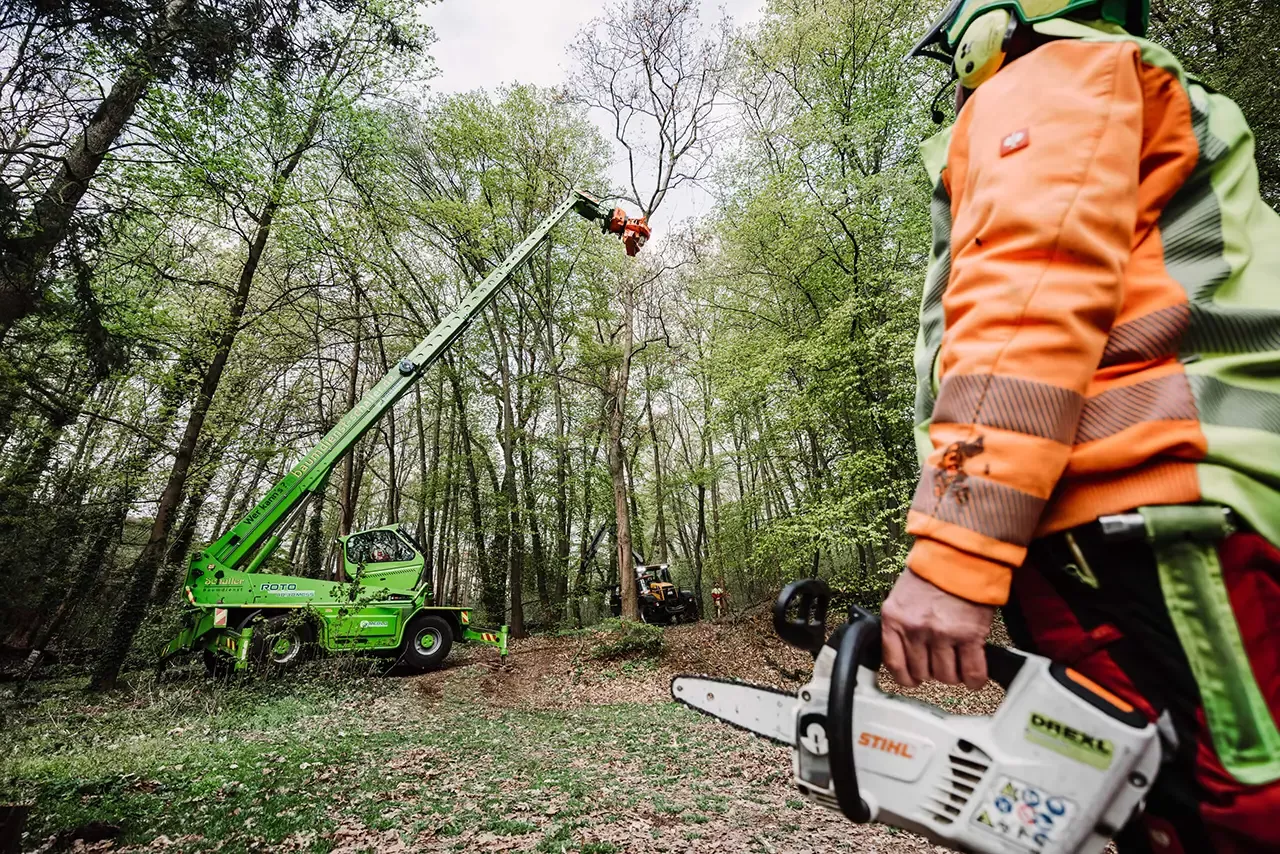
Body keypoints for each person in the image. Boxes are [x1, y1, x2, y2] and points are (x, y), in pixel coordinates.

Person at [884, 1, 1280, 850]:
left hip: (1141, 521)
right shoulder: (1141, 85)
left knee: (1230, 820)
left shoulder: (1055, 78)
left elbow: (1029, 295)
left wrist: (955, 550)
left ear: (992, 27)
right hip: (1187, 515)